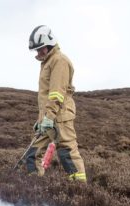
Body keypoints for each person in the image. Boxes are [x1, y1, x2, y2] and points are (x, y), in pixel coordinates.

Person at [26, 26, 87, 182]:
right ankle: (33, 188)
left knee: (67, 153)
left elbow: (56, 94)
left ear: (50, 43)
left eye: (40, 49)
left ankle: (80, 189)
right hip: (48, 117)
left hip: (60, 117)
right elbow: (46, 96)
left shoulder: (59, 61)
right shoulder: (48, 62)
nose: (38, 53)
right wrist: (41, 120)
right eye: (36, 50)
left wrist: (49, 117)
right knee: (32, 155)